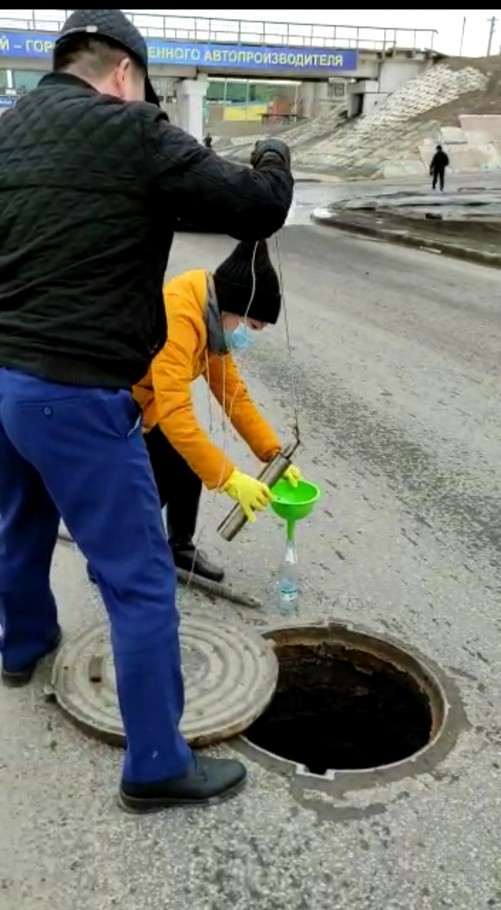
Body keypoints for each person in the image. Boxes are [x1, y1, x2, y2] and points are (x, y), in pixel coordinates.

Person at [0, 8, 293, 814]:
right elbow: (258, 206)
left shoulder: (9, 128)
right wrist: (273, 150)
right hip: (79, 394)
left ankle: (21, 646)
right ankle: (157, 763)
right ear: (125, 73)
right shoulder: (131, 131)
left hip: (5, 382)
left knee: (17, 525)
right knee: (139, 583)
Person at [129, 239, 301, 584]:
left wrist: (272, 454)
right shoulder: (182, 314)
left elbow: (234, 395)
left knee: (189, 465)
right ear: (233, 307)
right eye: (251, 326)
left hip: (153, 403)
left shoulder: (212, 316)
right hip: (123, 403)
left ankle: (179, 546)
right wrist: (230, 478)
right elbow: (176, 412)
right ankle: (118, 559)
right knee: (153, 481)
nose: (247, 337)